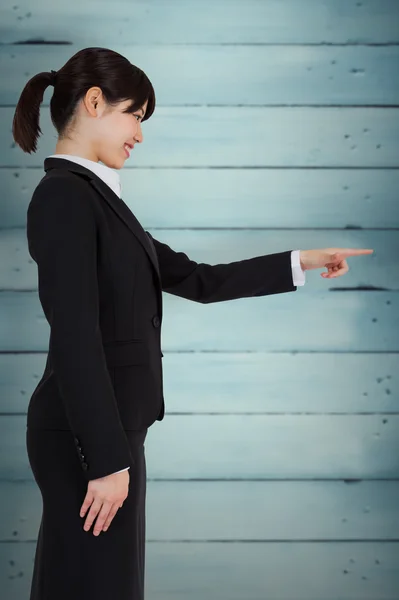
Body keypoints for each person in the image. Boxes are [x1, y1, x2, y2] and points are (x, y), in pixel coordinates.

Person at [11, 46, 374, 600]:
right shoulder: (64, 198)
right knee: (91, 584)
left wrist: (301, 260)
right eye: (135, 114)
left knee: (95, 583)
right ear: (94, 102)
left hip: (108, 429)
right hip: (89, 438)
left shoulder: (99, 201)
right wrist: (106, 458)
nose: (140, 133)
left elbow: (199, 280)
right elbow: (75, 333)